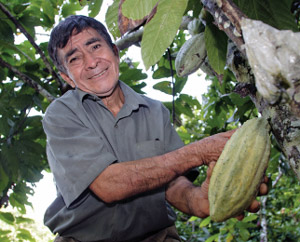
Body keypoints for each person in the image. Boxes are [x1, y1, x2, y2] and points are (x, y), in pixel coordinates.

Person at [43, 15, 267, 242]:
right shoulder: (62, 114)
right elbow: (108, 185)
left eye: (95, 47)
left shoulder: (154, 111)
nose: (91, 62)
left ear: (114, 52)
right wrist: (199, 152)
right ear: (67, 78)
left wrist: (199, 199)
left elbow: (172, 183)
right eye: (74, 59)